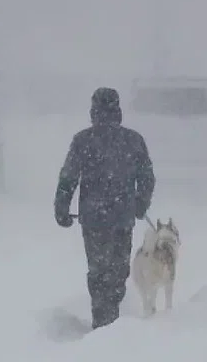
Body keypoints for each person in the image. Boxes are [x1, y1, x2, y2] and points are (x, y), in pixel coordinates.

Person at [54, 87, 156, 330]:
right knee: (118, 270)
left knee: (99, 270)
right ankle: (109, 318)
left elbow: (68, 178)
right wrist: (140, 204)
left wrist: (62, 207)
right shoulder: (132, 140)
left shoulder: (83, 141)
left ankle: (102, 317)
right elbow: (147, 177)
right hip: (122, 218)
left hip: (94, 219)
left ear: (94, 110)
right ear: (117, 110)